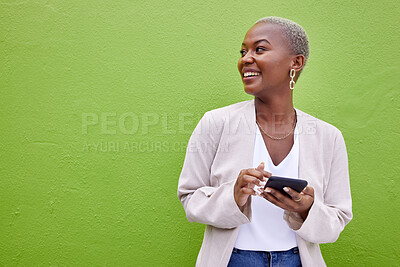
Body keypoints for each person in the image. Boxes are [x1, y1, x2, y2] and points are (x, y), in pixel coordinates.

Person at [177, 16, 352, 267]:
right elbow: (189, 198)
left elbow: (337, 221)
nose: (246, 59)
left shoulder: (328, 136)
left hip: (298, 261)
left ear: (296, 62)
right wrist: (233, 195)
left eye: (259, 49)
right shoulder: (216, 122)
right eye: (243, 51)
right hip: (232, 260)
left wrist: (306, 209)